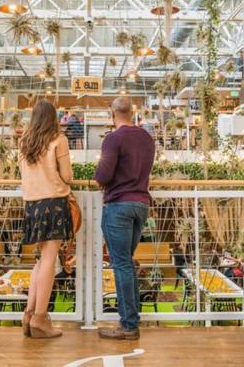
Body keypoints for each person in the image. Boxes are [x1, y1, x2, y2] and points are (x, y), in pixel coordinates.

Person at [94, 97, 155, 340]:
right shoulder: (146, 138)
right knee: (126, 264)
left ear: (112, 114)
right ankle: (130, 321)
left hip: (119, 205)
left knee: (121, 265)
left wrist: (98, 176)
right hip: (141, 205)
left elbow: (103, 175)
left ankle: (129, 325)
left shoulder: (113, 138)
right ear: (133, 113)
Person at [18, 99, 75, 338]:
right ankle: (41, 318)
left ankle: (29, 314)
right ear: (53, 117)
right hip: (53, 203)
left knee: (41, 261)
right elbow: (68, 176)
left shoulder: (24, 141)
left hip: (32, 205)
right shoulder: (58, 140)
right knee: (50, 260)